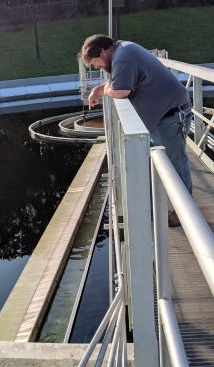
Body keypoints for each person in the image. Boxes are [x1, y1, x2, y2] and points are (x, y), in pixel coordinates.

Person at [78, 34, 193, 227]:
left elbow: (121, 91)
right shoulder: (122, 51)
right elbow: (116, 82)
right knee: (158, 165)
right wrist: (98, 89)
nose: (96, 67)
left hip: (171, 117)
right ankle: (161, 207)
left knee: (176, 165)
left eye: (95, 62)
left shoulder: (123, 57)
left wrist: (105, 91)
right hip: (162, 117)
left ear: (102, 51)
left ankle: (186, 214)